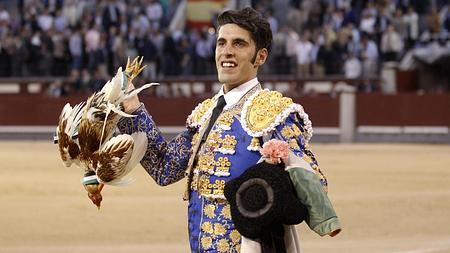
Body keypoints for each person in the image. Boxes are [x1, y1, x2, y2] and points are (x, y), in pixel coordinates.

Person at [118, 7, 340, 252]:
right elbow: (164, 168)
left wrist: (267, 191)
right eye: (221, 43)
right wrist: (132, 108)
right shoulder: (204, 114)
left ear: (260, 57)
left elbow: (314, 184)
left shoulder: (274, 112)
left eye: (239, 44)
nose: (227, 51)